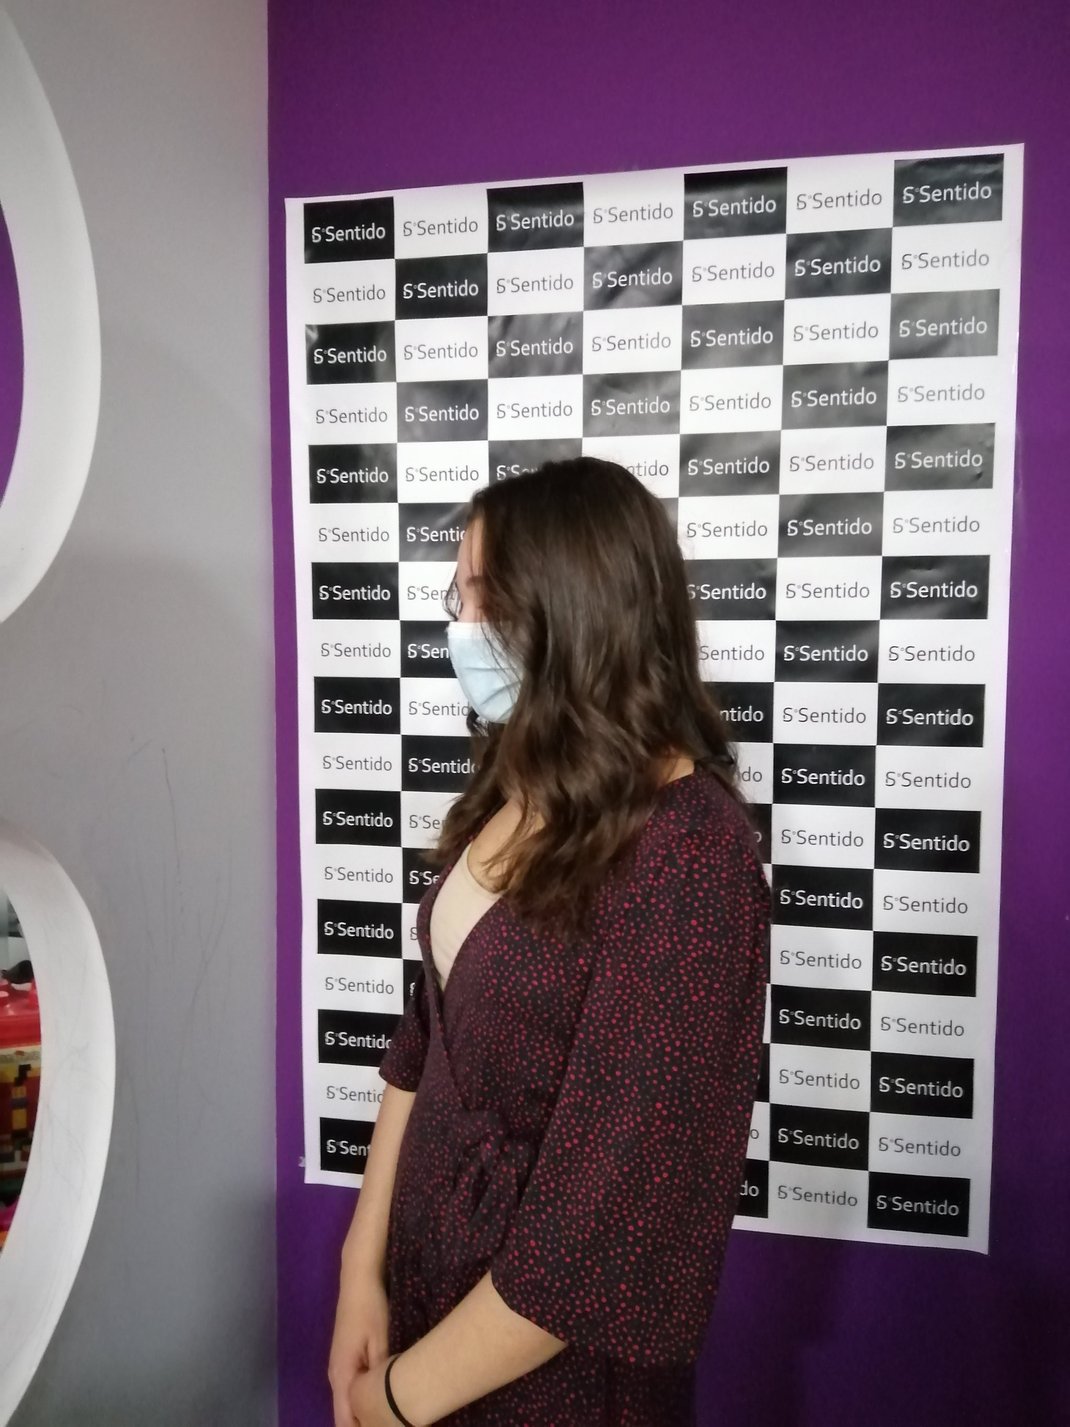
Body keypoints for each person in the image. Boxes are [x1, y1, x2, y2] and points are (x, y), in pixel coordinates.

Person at [329, 457, 771, 1426]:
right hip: (427, 1297)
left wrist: (396, 1401)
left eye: (483, 596)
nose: (461, 624)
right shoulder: (521, 781)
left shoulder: (690, 854)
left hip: (549, 1381)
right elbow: (426, 1037)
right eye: (457, 596)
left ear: (571, 607)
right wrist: (361, 1267)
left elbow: (605, 1228)